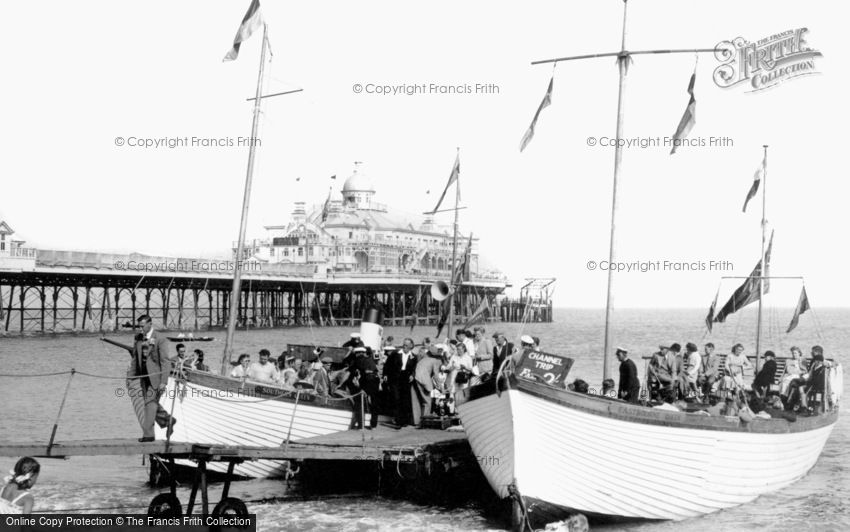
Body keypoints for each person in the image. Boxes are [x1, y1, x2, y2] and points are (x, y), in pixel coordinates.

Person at [133, 315, 177, 442]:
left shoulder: (160, 339)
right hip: (144, 378)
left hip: (156, 379)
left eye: (142, 326)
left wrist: (164, 381)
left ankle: (148, 435)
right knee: (150, 405)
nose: (140, 329)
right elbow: (135, 359)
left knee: (150, 404)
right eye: (139, 326)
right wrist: (131, 376)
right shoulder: (138, 338)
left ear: (150, 324)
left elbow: (165, 361)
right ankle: (168, 420)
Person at [383, 338, 418, 427]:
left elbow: (414, 368)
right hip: (395, 377)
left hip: (405, 378)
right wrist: (385, 374)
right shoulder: (395, 354)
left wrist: (412, 375)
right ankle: (397, 420)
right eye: (403, 345)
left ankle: (404, 420)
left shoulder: (413, 357)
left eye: (406, 345)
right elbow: (387, 365)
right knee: (396, 398)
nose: (404, 347)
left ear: (411, 346)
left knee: (405, 399)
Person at [413, 342, 444, 424]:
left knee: (419, 401)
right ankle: (425, 422)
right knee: (427, 401)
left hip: (416, 377)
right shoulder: (436, 361)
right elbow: (436, 376)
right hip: (422, 378)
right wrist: (441, 389)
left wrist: (437, 387)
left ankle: (417, 421)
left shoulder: (425, 359)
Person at [349, 347, 380, 429]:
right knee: (374, 403)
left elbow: (357, 372)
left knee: (359, 403)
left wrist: (363, 388)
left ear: (357, 353)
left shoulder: (358, 360)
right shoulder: (370, 360)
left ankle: (360, 425)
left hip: (366, 382)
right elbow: (375, 371)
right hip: (375, 382)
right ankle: (373, 424)